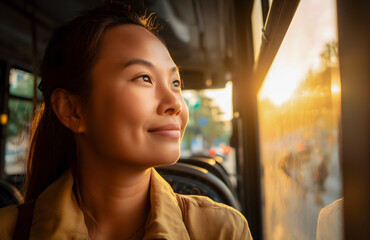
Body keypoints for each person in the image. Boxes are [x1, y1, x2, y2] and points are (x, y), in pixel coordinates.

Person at [0, 2, 252, 240]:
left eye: (175, 83)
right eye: (144, 78)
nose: (175, 104)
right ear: (72, 110)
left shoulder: (222, 230)